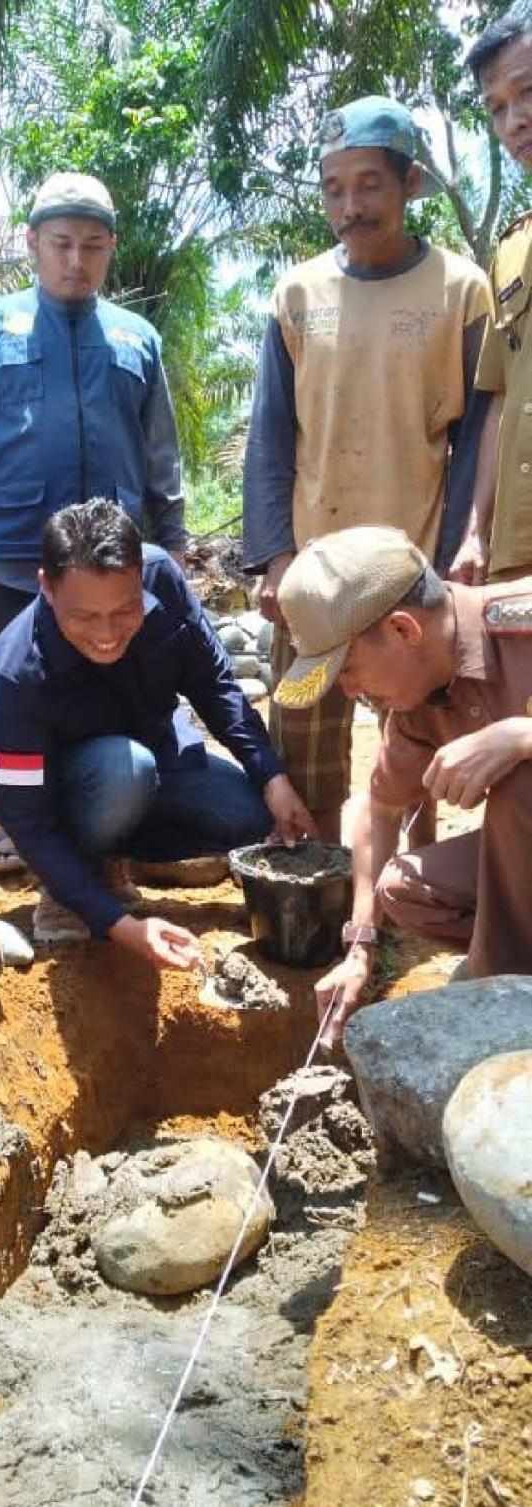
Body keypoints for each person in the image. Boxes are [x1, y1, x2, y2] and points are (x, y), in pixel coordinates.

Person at [243, 95, 492, 845]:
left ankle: (403, 880)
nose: (349, 206)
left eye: (368, 185)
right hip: (312, 571)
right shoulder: (296, 294)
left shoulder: (459, 290)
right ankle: (314, 880)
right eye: (333, 188)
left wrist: (452, 558)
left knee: (407, 735)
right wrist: (275, 558)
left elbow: (477, 436)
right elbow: (269, 436)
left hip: (403, 573)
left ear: (409, 182)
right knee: (305, 732)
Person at [0, 168, 185, 873]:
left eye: (92, 245)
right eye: (60, 243)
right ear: (32, 243)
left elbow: (159, 448)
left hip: (113, 572)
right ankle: (21, 826)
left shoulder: (135, 337)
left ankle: (98, 829)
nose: (75, 261)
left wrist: (170, 540)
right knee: (18, 704)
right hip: (13, 557)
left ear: (111, 246)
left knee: (109, 697)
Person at [0, 498, 317, 961]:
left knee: (248, 816)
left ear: (141, 575)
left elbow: (214, 684)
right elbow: (26, 817)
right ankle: (70, 882)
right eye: (85, 617)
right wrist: (121, 927)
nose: (107, 632)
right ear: (47, 588)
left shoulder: (162, 576)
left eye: (124, 610)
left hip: (157, 758)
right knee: (123, 770)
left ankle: (112, 852)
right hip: (64, 792)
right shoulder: (15, 676)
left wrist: (270, 775)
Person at [270, 525, 532, 1051]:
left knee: (521, 785)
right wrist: (360, 946)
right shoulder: (417, 697)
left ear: (403, 629)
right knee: (404, 890)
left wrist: (521, 737)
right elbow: (381, 808)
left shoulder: (521, 621)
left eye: (348, 670)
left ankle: (503, 998)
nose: (348, 690)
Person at [452, 1, 532, 586]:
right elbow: (499, 403)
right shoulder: (510, 251)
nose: (514, 122)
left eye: (527, 93)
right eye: (496, 108)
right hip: (518, 550)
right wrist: (477, 531)